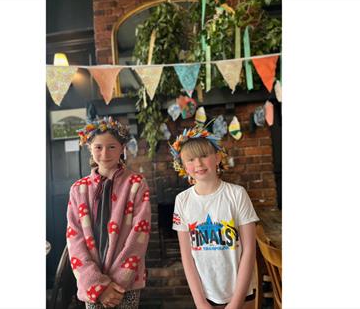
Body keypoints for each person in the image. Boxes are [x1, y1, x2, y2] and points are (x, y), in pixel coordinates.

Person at [66, 116, 151, 309]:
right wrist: (98, 285)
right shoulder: (78, 189)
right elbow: (74, 239)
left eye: (112, 147)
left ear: (122, 148)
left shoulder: (136, 184)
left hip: (126, 284)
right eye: (98, 147)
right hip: (92, 285)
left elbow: (139, 234)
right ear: (89, 148)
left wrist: (117, 283)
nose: (105, 153)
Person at [171, 125, 259, 309]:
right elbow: (186, 256)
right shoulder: (182, 200)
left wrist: (236, 302)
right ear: (183, 165)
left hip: (241, 293)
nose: (198, 164)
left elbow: (250, 249)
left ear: (218, 157)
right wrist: (200, 301)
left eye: (204, 156)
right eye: (191, 159)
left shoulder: (237, 194)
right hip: (206, 295)